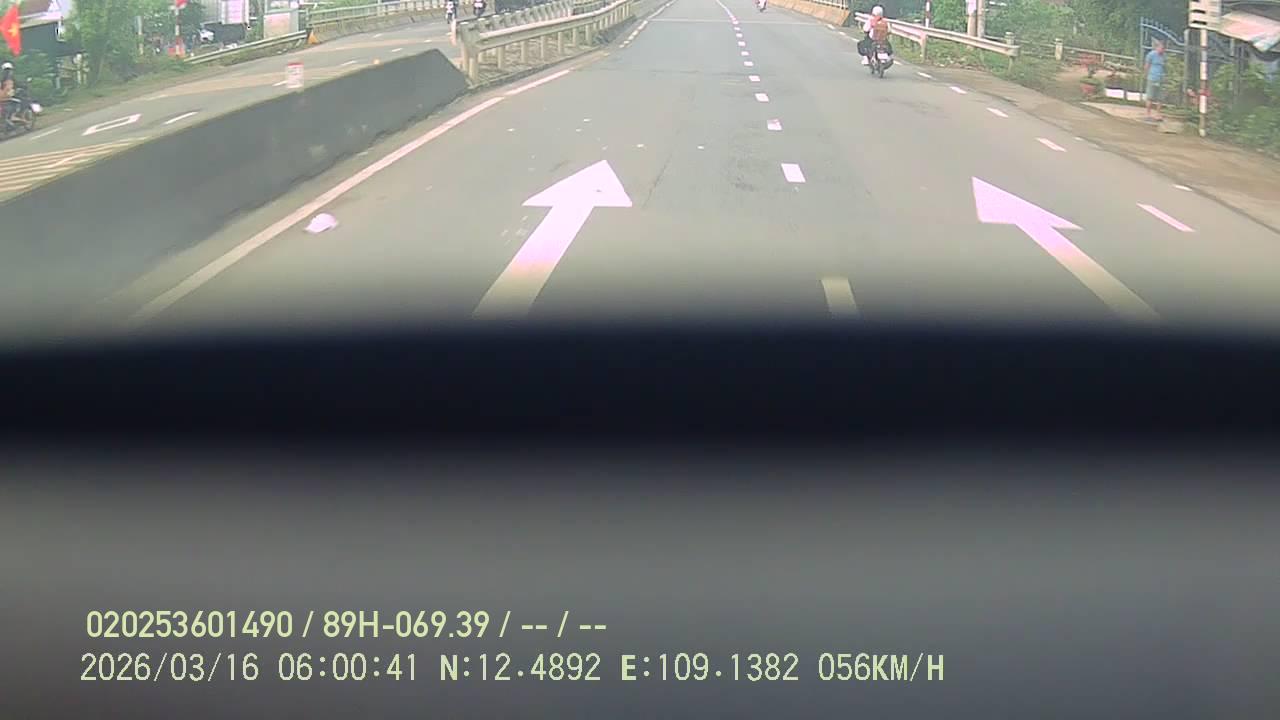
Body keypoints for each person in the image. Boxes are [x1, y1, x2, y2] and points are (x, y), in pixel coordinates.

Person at [1144, 39, 1166, 122]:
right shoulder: (1151, 55)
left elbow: (1164, 67)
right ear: (1157, 47)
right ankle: (1148, 114)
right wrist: (1147, 75)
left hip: (1161, 78)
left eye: (1163, 48)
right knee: (1150, 97)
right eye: (1161, 48)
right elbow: (1147, 65)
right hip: (1152, 78)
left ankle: (1158, 114)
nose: (1162, 50)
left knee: (1160, 98)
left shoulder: (1164, 56)